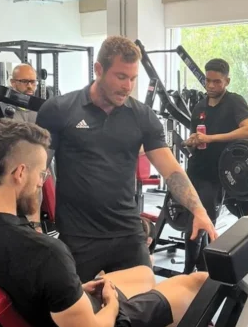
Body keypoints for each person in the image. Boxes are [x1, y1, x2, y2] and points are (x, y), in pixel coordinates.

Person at [0, 119, 208, 327]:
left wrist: (74, 291)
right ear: (20, 173)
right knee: (197, 283)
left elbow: (25, 292)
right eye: (41, 175)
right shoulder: (45, 252)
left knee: (144, 273)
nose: (41, 183)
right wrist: (113, 305)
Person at [36, 36, 217, 282]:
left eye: (133, 79)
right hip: (78, 237)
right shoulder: (59, 110)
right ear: (98, 69)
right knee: (76, 316)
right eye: (121, 77)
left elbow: (171, 170)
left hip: (127, 232)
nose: (128, 86)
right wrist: (33, 225)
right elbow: (37, 172)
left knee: (144, 309)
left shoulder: (142, 117)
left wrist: (198, 210)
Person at [183, 59, 248, 272]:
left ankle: (188, 272)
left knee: (199, 224)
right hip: (196, 171)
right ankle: (203, 271)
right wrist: (193, 141)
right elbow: (198, 135)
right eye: (208, 81)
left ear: (227, 81)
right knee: (194, 221)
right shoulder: (199, 106)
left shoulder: (234, 102)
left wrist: (212, 138)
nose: (211, 86)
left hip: (219, 174)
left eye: (217, 81)